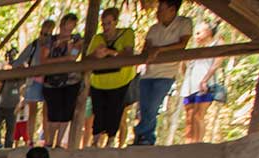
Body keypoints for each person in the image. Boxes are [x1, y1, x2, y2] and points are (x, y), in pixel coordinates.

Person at [134, 0, 193, 146]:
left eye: (161, 9)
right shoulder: (154, 28)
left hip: (166, 73)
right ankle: (143, 137)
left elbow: (182, 44)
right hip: (148, 73)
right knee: (145, 107)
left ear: (172, 10)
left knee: (153, 106)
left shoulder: (184, 23)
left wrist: (159, 49)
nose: (157, 12)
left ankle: (144, 136)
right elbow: (146, 47)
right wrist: (151, 51)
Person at [87, 7, 136, 148]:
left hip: (120, 81)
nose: (106, 27)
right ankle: (95, 140)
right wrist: (96, 55)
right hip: (99, 82)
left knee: (115, 110)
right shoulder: (98, 38)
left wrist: (110, 52)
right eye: (104, 24)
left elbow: (128, 53)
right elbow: (87, 57)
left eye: (109, 23)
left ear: (115, 22)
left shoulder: (127, 33)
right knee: (98, 111)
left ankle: (111, 140)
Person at [40, 13, 84, 148]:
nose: (67, 33)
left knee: (66, 113)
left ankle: (58, 143)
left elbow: (74, 56)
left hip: (70, 81)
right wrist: (64, 57)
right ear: (61, 26)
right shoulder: (49, 40)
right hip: (51, 82)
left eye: (70, 29)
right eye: (65, 29)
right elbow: (43, 59)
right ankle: (50, 140)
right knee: (53, 113)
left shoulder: (77, 39)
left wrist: (67, 52)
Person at [13, 20, 56, 146]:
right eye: (42, 33)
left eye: (47, 34)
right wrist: (23, 69)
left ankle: (47, 141)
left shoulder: (54, 44)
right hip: (33, 81)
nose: (44, 36)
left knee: (46, 112)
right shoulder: (34, 45)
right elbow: (19, 61)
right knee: (32, 111)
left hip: (49, 81)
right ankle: (30, 140)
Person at [181, 22, 223, 144]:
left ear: (209, 32)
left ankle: (198, 142)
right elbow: (185, 69)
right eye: (196, 33)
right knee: (189, 116)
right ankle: (188, 143)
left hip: (205, 85)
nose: (196, 36)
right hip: (189, 86)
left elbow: (217, 63)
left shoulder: (216, 44)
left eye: (199, 33)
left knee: (198, 115)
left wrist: (205, 79)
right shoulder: (194, 50)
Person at [0, 76, 23, 149]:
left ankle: (8, 146)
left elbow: (24, 92)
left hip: (13, 108)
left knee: (11, 128)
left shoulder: (22, 79)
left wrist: (20, 104)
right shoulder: (6, 78)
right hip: (1, 106)